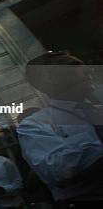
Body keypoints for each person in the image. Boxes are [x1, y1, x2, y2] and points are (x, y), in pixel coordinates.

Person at [17, 51, 103, 208]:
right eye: (74, 65)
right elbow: (55, 171)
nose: (89, 70)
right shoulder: (33, 125)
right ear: (51, 78)